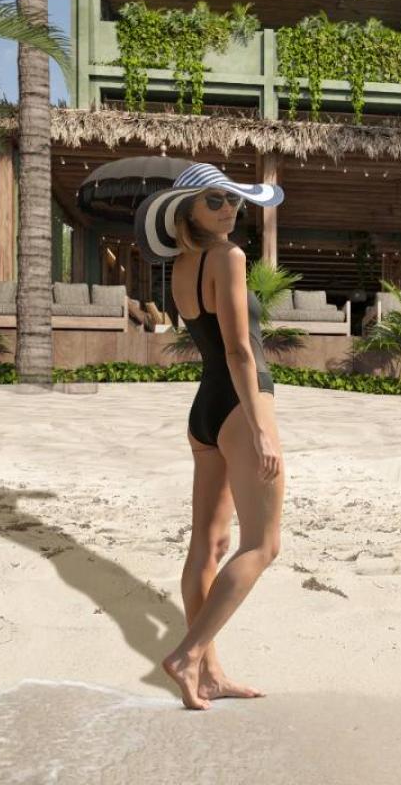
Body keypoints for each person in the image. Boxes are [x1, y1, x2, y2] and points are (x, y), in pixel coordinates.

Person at [133, 161, 285, 711]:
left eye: (234, 200)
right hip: (241, 407)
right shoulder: (229, 257)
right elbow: (240, 349)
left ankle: (211, 675)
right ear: (187, 210)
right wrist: (261, 428)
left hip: (205, 411)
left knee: (210, 544)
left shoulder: (182, 266)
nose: (230, 210)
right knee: (262, 545)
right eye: (216, 201)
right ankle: (188, 655)